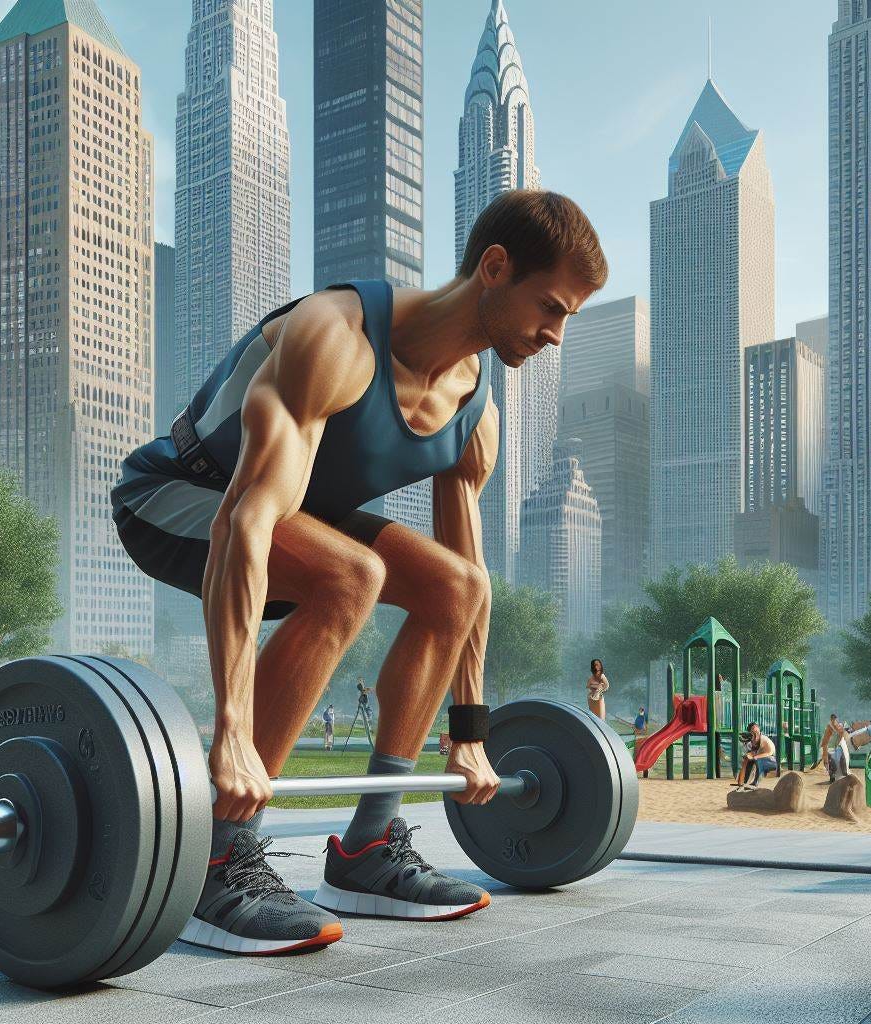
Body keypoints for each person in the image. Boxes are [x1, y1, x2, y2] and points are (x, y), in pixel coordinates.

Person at [109, 189, 607, 955]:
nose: (557, 335)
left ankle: (368, 850)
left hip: (299, 521)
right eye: (550, 307)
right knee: (352, 577)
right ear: (495, 268)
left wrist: (469, 736)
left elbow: (468, 581)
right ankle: (218, 857)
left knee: (455, 587)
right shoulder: (335, 336)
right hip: (181, 496)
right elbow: (245, 519)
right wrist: (232, 733)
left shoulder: (475, 414)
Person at [734, 722, 777, 789]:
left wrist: (755, 757)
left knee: (758, 761)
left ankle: (755, 782)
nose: (755, 735)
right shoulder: (750, 743)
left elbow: (769, 753)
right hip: (761, 758)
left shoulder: (765, 740)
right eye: (752, 733)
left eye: (756, 732)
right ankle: (744, 781)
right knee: (748, 761)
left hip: (772, 760)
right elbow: (752, 752)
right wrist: (749, 756)